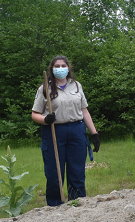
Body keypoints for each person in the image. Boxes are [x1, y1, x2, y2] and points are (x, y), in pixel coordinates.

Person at [31, 55, 100, 205]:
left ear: (68, 68)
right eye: (57, 66)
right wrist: (45, 119)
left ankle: (78, 203)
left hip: (76, 130)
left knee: (77, 171)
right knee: (55, 173)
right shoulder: (45, 88)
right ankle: (55, 206)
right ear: (52, 69)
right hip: (54, 132)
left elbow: (84, 111)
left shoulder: (76, 86)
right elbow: (35, 114)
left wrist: (94, 133)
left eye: (63, 66)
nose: (60, 69)